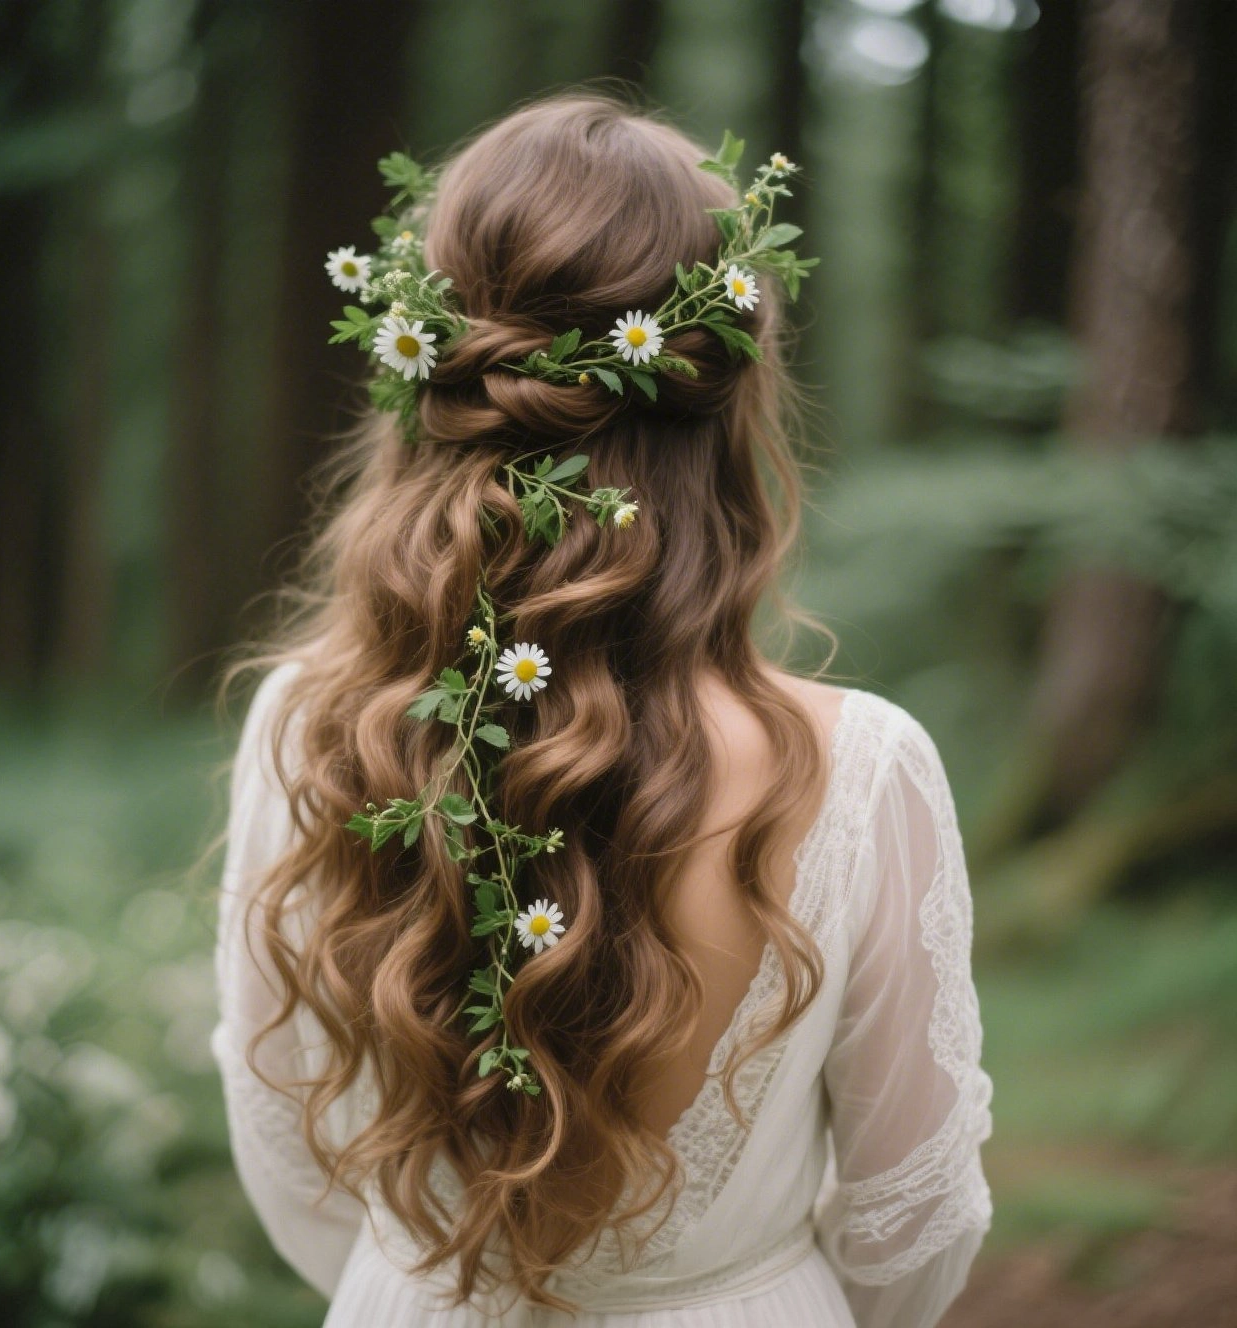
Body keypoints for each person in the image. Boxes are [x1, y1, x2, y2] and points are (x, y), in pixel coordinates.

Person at [210, 92, 993, 1327]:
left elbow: (285, 1146)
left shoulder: (310, 725)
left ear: (431, 375)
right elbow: (916, 1218)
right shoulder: (860, 767)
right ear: (728, 399)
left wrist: (424, 1277)